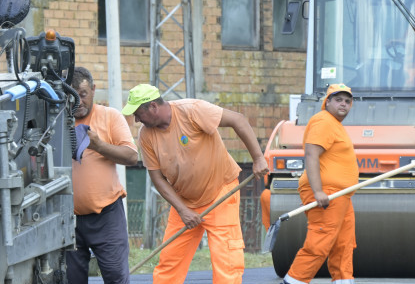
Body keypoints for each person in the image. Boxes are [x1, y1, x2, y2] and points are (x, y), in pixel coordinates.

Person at [122, 84, 269, 284]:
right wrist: (183, 210)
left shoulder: (192, 110)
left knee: (227, 264)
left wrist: (258, 158)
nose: (137, 119)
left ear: (153, 107)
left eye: (138, 114)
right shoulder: (146, 136)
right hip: (185, 201)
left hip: (220, 193)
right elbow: (157, 178)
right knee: (169, 263)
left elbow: (238, 120)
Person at [66, 67, 138, 284]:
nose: (78, 101)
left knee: (116, 277)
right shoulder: (57, 120)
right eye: (72, 95)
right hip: (68, 219)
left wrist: (98, 146)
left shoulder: (110, 116)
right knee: (71, 279)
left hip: (107, 215)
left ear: (94, 90)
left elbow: (131, 156)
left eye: (83, 94)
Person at [282, 83, 358, 284]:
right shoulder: (323, 121)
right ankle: (293, 281)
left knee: (344, 243)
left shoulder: (334, 125)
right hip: (328, 193)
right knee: (320, 242)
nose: (344, 104)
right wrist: (317, 191)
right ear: (328, 102)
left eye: (347, 101)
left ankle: (343, 280)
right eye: (338, 99)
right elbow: (311, 155)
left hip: (341, 194)